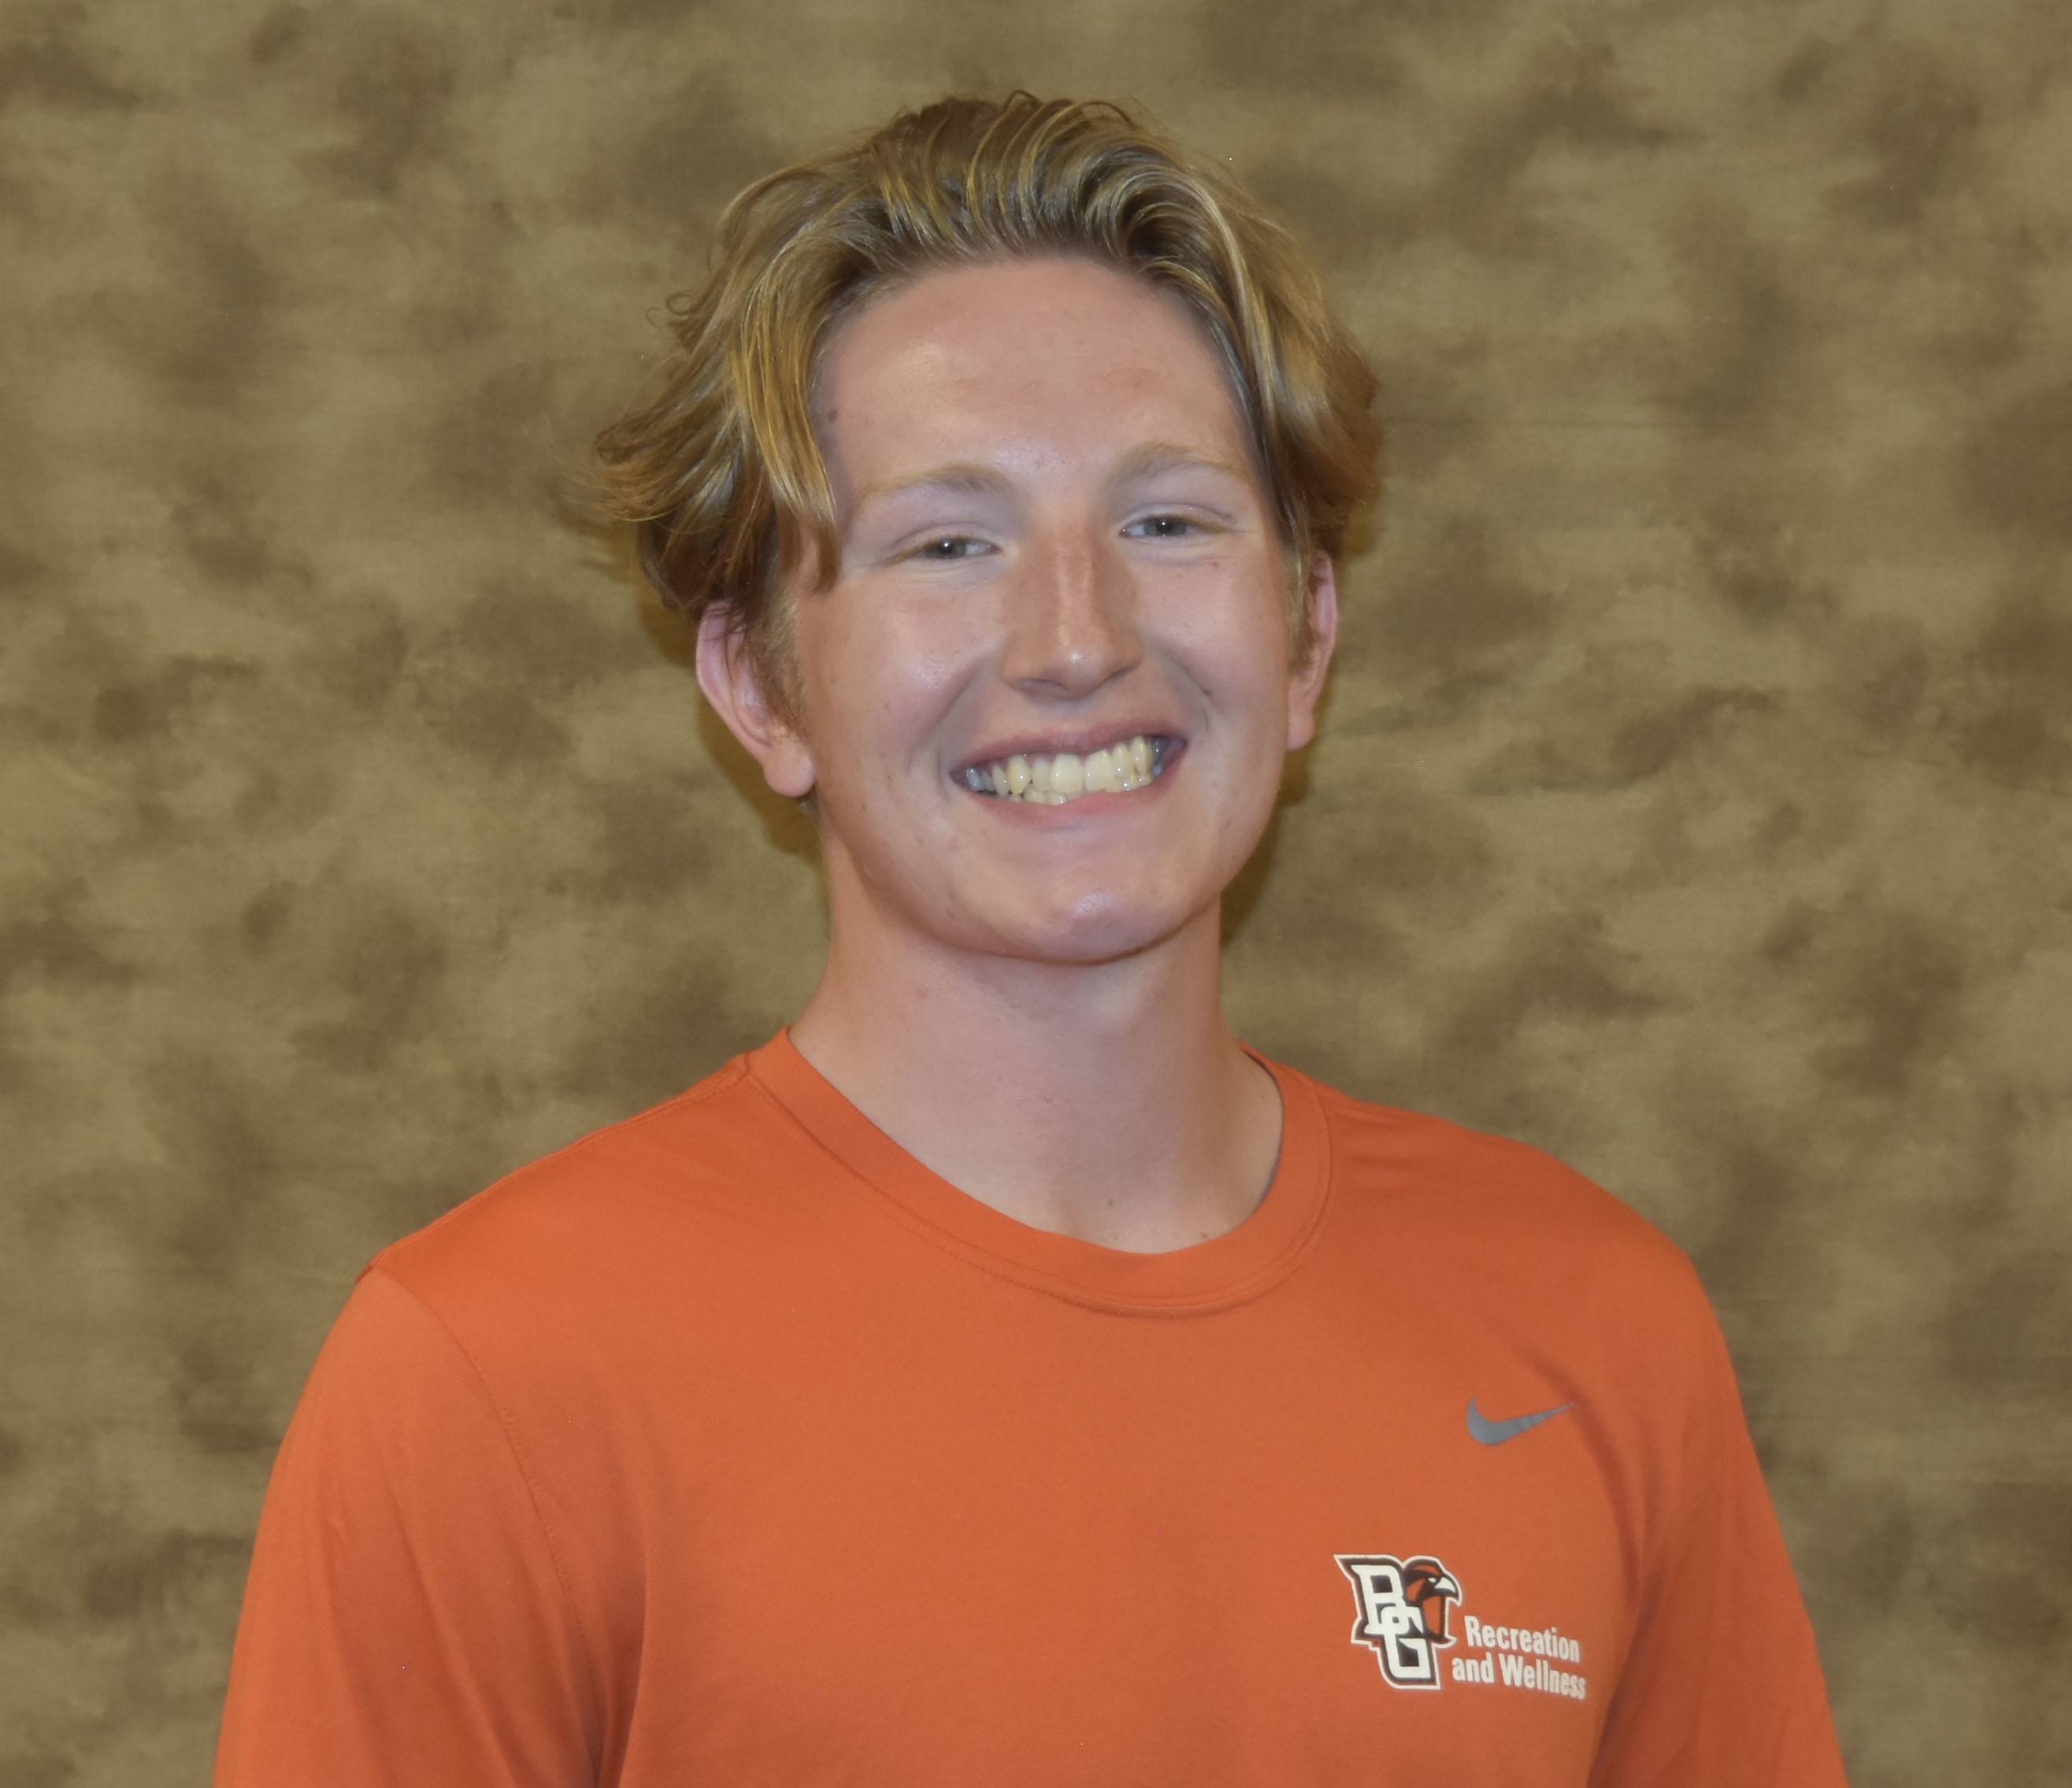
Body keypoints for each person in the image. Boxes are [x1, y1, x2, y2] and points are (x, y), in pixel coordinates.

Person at [213, 91, 1849, 1785]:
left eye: (1167, 521)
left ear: (1305, 637)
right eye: (948, 542)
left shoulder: (1593, 1326)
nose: (1076, 638)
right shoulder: (491, 1374)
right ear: (759, 684)